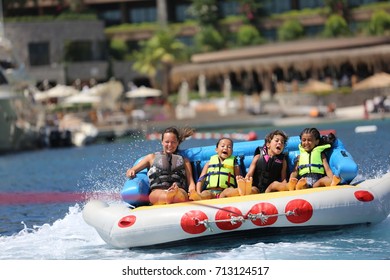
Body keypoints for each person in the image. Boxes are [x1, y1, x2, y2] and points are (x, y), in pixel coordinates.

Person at [126, 126, 196, 205]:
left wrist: (193, 193)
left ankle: (174, 194)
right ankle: (170, 196)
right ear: (162, 142)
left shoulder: (184, 161)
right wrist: (131, 171)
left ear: (177, 143)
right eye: (167, 142)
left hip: (179, 190)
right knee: (159, 194)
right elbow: (132, 170)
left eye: (173, 142)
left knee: (180, 193)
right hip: (158, 191)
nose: (170, 145)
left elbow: (191, 183)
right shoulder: (151, 158)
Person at [189, 137, 257, 200]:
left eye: (229, 147)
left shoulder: (235, 165)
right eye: (222, 146)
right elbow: (201, 179)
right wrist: (198, 191)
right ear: (216, 150)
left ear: (232, 151)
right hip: (211, 191)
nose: (226, 148)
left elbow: (238, 179)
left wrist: (241, 182)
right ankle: (199, 197)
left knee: (228, 191)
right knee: (206, 193)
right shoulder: (208, 164)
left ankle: (241, 190)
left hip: (225, 190)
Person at [274, 127, 340, 191]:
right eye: (304, 140)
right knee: (303, 183)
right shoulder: (299, 157)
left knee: (324, 180)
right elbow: (295, 171)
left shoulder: (321, 154)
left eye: (309, 140)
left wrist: (331, 178)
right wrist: (291, 180)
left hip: (317, 182)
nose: (306, 143)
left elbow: (327, 169)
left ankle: (332, 182)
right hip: (305, 180)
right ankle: (299, 186)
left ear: (316, 142)